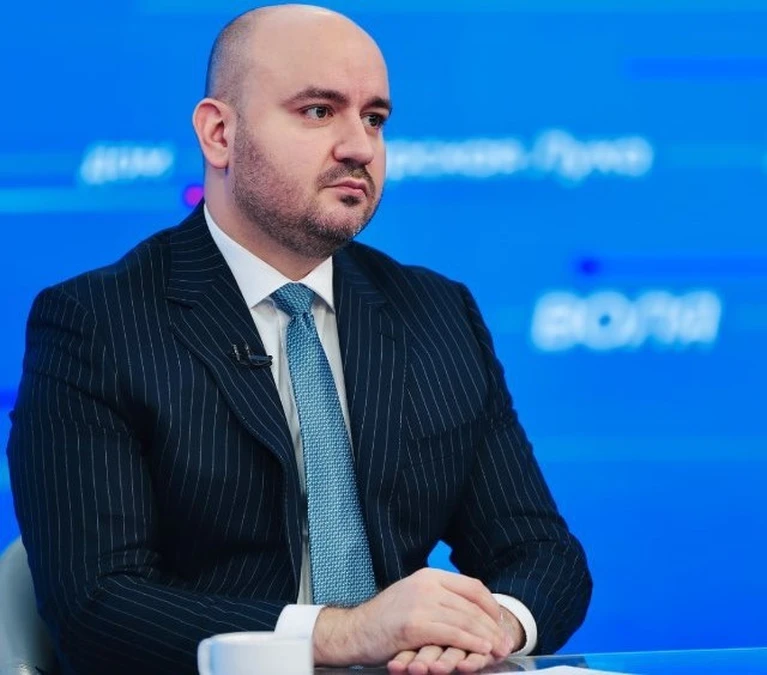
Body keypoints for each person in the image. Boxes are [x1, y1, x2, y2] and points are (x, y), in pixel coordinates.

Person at [6, 5, 591, 675]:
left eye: (375, 118)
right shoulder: (97, 324)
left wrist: (490, 627)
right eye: (318, 111)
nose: (359, 146)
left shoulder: (437, 312)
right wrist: (343, 634)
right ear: (219, 134)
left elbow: (541, 552)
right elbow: (97, 608)